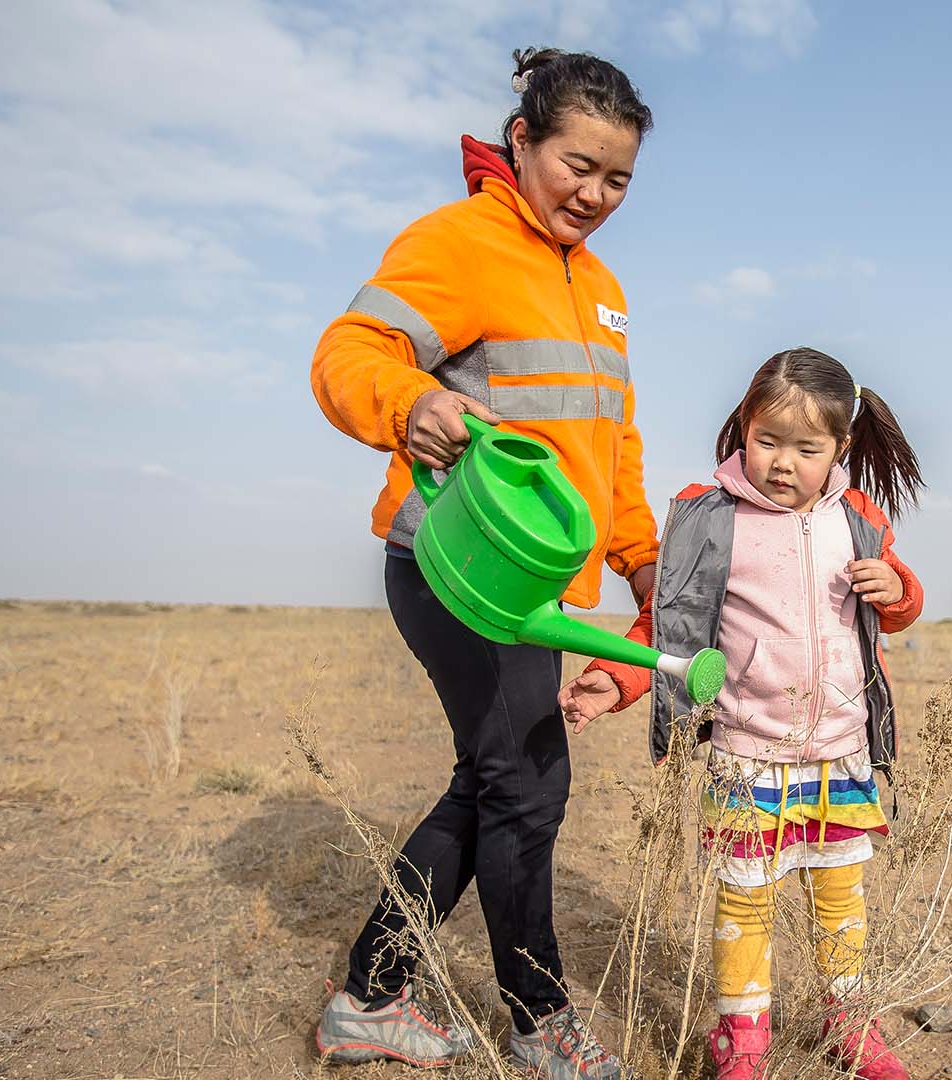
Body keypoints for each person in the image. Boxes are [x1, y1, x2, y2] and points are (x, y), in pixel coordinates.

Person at [308, 48, 654, 1075]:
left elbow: (611, 445)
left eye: (618, 179)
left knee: (496, 776)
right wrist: (411, 403)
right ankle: (542, 1026)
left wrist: (640, 559)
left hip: (532, 587)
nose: (594, 193)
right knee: (528, 787)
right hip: (453, 566)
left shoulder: (602, 288)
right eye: (578, 165)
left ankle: (371, 996)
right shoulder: (460, 242)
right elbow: (349, 350)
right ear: (521, 143)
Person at [559, 347, 923, 1080]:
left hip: (840, 750)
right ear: (743, 428)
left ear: (839, 450)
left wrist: (897, 588)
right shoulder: (711, 518)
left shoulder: (856, 517)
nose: (782, 462)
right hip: (746, 754)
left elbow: (900, 605)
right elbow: (668, 624)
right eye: (767, 440)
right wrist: (612, 681)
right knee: (746, 902)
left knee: (840, 895)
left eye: (806, 448)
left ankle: (846, 1020)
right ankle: (741, 1039)